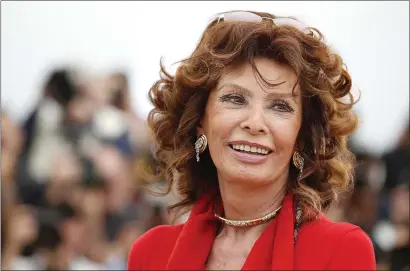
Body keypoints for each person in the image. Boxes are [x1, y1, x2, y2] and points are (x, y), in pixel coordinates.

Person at [127, 10, 376, 270]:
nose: (255, 123)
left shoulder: (341, 250)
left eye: (280, 106)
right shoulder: (151, 254)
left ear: (301, 136)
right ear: (200, 121)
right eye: (235, 99)